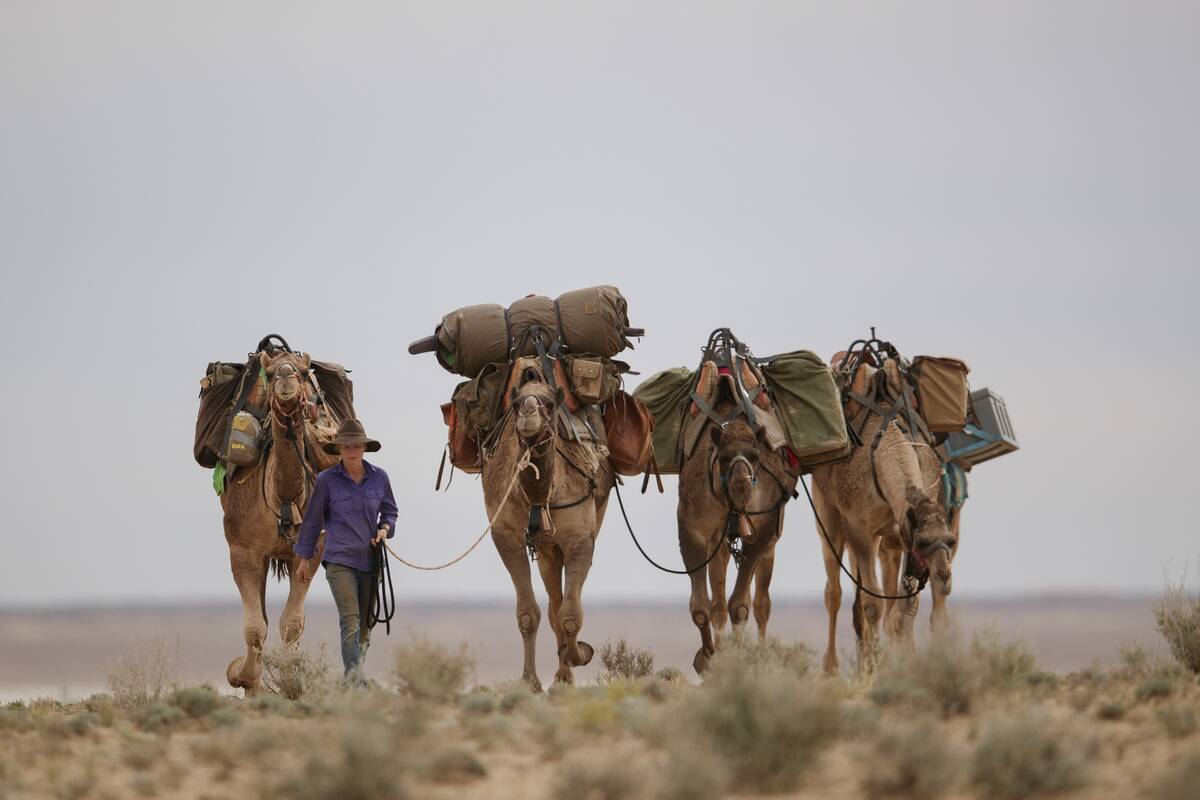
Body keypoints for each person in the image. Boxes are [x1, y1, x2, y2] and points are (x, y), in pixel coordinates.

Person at [295, 418, 397, 685]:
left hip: (371, 561)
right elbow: (312, 520)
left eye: (356, 445)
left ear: (364, 447)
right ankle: (355, 681)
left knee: (365, 627)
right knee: (350, 621)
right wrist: (304, 559)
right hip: (338, 560)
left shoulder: (380, 477)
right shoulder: (327, 481)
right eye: (346, 445)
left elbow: (390, 511)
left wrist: (385, 528)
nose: (351, 449)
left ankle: (354, 678)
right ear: (339, 449)